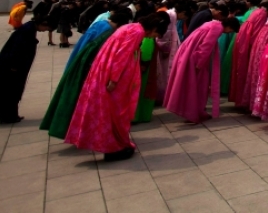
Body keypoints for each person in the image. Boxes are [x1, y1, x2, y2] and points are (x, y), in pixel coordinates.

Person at [65, 12, 170, 161]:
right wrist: (114, 79)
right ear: (153, 28)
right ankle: (113, 148)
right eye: (156, 34)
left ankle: (114, 145)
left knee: (108, 112)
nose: (153, 37)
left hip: (105, 72)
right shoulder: (137, 33)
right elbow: (121, 56)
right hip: (116, 80)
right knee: (115, 113)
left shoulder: (131, 27)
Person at [41, 10, 130, 138]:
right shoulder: (106, 31)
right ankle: (75, 129)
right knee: (78, 98)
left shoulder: (100, 23)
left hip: (79, 60)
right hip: (86, 66)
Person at [163, 17, 240, 124]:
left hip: (187, 52)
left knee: (187, 84)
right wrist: (199, 64)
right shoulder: (217, 28)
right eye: (230, 30)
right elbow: (206, 46)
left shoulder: (212, 23)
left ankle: (189, 111)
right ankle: (192, 112)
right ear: (229, 27)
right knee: (198, 86)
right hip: (194, 57)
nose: (228, 32)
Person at [0, 16, 52, 123]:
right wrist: (14, 66)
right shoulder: (27, 30)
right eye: (46, 28)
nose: (45, 30)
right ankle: (8, 116)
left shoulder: (29, 28)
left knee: (13, 91)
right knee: (11, 91)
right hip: (12, 67)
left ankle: (11, 115)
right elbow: (17, 49)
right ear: (42, 24)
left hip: (15, 66)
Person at [228, 5, 268, 106]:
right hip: (248, 43)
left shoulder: (255, 12)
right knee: (247, 71)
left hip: (242, 39)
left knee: (241, 70)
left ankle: (241, 99)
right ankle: (246, 100)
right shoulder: (262, 14)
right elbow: (255, 33)